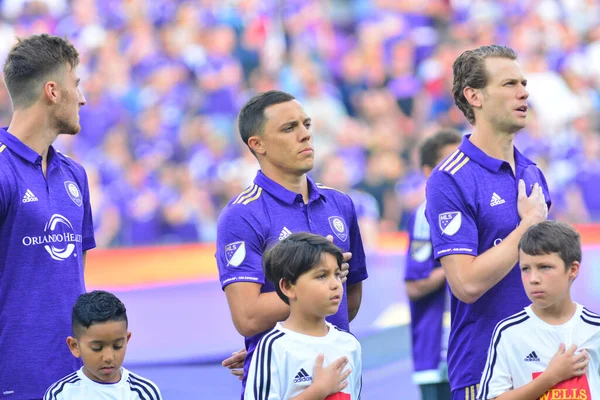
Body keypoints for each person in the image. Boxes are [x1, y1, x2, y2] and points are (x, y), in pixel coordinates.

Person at [216, 90, 368, 393]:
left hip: (339, 372)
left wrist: (303, 340)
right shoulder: (242, 215)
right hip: (285, 383)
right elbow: (247, 317)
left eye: (306, 125)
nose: (305, 136)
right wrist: (316, 281)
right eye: (289, 128)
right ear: (257, 145)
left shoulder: (340, 204)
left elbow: (346, 306)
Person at [424, 44, 551, 399]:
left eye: (523, 82)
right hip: (486, 369)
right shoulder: (450, 179)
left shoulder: (532, 172)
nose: (524, 92)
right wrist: (527, 227)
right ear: (474, 96)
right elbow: (465, 283)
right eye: (509, 84)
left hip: (543, 362)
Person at [0, 34, 96, 399]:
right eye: (77, 85)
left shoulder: (76, 175)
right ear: (52, 91)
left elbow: (74, 280)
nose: (83, 98)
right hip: (12, 379)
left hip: (74, 379)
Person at [478, 221, 599, 399]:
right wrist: (551, 377)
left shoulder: (595, 329)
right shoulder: (508, 332)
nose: (533, 279)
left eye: (544, 267)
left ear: (572, 269)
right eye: (525, 269)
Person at [244, 233, 362, 399]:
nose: (335, 284)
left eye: (336, 274)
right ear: (288, 287)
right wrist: (318, 391)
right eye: (321, 276)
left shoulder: (349, 344)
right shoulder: (274, 347)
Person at [405, 129, 462, 400]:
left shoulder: (472, 206)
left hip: (472, 349)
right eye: (449, 163)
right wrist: (460, 263)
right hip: (436, 351)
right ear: (429, 171)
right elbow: (415, 285)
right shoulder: (424, 214)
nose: (459, 171)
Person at [43, 290, 162, 399]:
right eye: (97, 348)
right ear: (75, 346)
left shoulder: (143, 393)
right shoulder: (60, 395)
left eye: (117, 345)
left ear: (127, 339)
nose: (109, 357)